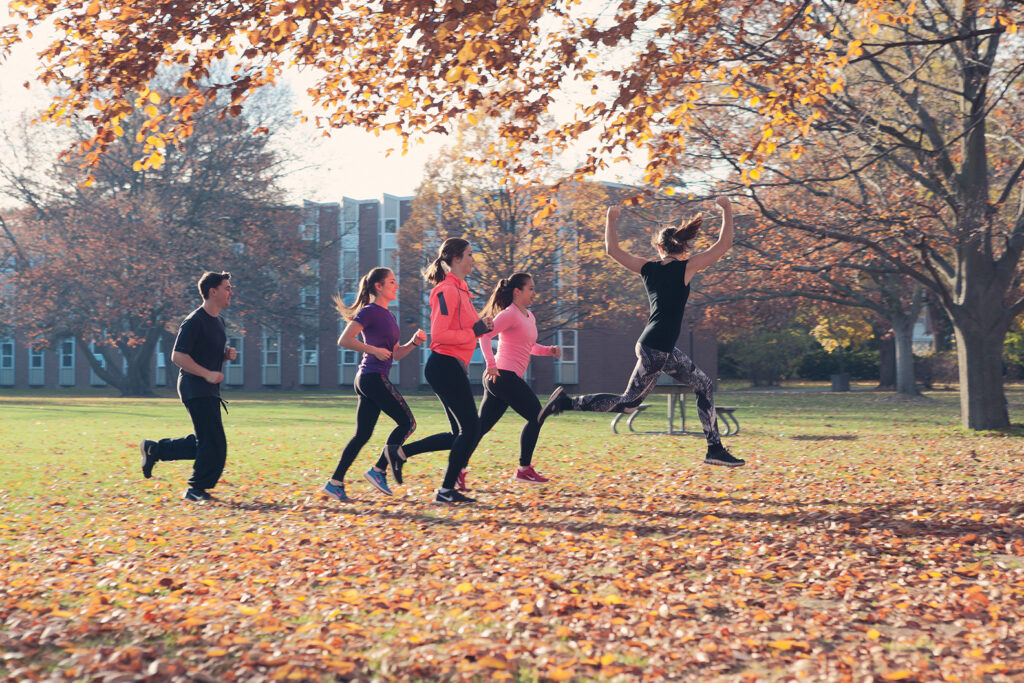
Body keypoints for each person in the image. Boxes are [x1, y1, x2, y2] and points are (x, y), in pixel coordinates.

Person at [539, 200, 745, 467]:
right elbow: (723, 245)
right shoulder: (685, 268)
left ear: (659, 248)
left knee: (703, 384)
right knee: (628, 404)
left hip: (658, 346)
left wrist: (611, 219)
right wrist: (727, 210)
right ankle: (566, 403)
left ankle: (714, 449)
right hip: (656, 349)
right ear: (682, 249)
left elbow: (612, 250)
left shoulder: (648, 269)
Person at [321, 267, 427, 501]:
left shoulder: (389, 315)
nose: (396, 286)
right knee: (407, 422)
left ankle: (334, 482)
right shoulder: (369, 311)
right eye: (391, 282)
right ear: (378, 287)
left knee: (363, 434)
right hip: (372, 377)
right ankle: (378, 470)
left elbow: (395, 355)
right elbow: (344, 339)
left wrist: (414, 342)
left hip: (371, 378)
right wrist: (373, 350)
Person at [404, 237, 492, 503]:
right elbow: (440, 335)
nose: (472, 259)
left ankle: (398, 454)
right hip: (443, 364)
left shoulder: (462, 290)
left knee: (463, 431)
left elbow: (465, 330)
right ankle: (445, 490)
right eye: (469, 254)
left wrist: (482, 326)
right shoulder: (445, 290)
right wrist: (475, 331)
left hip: (452, 366)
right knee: (471, 428)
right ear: (454, 258)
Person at [139, 271, 239, 500]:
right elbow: (178, 356)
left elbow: (204, 355)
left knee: (206, 442)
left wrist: (225, 356)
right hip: (194, 388)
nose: (230, 292)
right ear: (212, 292)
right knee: (213, 442)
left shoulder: (219, 321)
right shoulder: (194, 321)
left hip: (209, 389)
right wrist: (207, 374)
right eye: (227, 288)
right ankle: (195, 489)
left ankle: (155, 450)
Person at [474, 273, 561, 483]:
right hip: (503, 376)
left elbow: (529, 347)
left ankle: (456, 470)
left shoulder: (529, 316)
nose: (534, 293)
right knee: (536, 415)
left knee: (479, 428)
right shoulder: (509, 314)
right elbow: (484, 335)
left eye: (533, 288)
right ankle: (524, 469)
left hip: (504, 378)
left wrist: (549, 350)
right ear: (517, 292)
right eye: (530, 288)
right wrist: (491, 365)